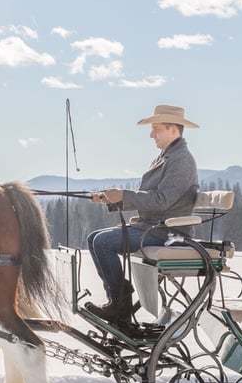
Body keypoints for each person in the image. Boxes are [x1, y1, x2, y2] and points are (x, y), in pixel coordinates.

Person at [85, 104, 200, 325]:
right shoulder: (166, 157)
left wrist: (123, 195)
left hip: (169, 233)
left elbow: (162, 200)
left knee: (103, 242)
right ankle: (118, 301)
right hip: (152, 226)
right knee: (94, 239)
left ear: (173, 130)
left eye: (156, 129)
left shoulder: (181, 160)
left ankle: (120, 304)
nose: (151, 135)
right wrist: (111, 199)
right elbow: (150, 197)